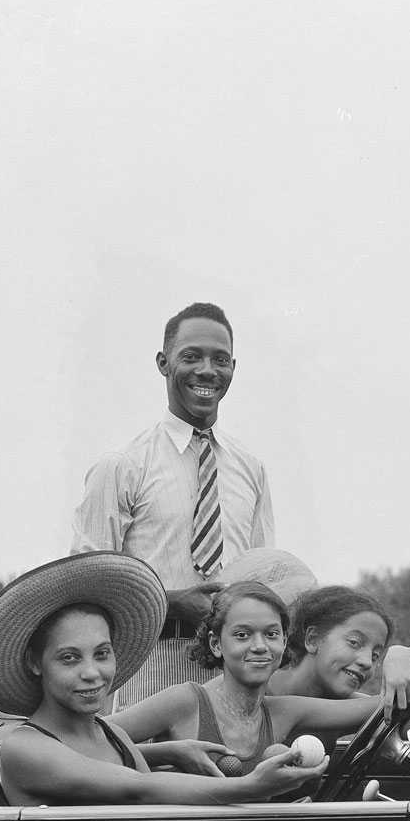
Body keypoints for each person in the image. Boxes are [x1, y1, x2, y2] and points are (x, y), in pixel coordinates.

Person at [0, 553, 320, 807]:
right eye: (69, 658)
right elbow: (141, 789)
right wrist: (252, 786)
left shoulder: (112, 735)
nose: (92, 673)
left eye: (102, 654)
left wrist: (169, 750)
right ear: (36, 663)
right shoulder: (25, 747)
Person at [72, 302, 275, 705]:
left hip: (233, 682)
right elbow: (85, 589)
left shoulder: (250, 469)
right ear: (163, 363)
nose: (206, 371)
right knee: (151, 768)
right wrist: (168, 603)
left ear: (233, 367)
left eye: (220, 359)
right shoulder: (123, 466)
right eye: (191, 356)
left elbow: (265, 579)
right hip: (147, 673)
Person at [115, 579, 395, 776]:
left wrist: (401, 657)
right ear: (216, 644)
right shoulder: (185, 701)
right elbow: (80, 741)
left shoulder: (286, 710)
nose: (260, 646)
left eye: (272, 634)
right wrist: (164, 753)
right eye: (242, 635)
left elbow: (399, 705)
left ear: (285, 642)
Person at [271, 586, 410, 741]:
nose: (365, 662)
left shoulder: (352, 707)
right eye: (354, 642)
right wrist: (401, 654)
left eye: (376, 655)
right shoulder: (258, 693)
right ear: (312, 639)